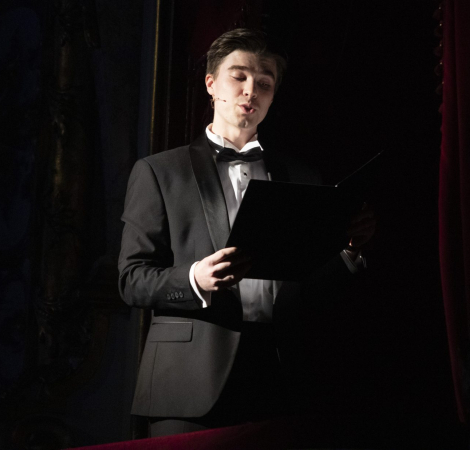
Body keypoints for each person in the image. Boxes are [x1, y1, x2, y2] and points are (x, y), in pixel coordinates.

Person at [118, 28, 376, 437]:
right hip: (188, 380)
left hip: (279, 373)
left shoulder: (302, 177)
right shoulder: (159, 171)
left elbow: (307, 289)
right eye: (238, 76)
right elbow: (131, 280)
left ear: (273, 96)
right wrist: (195, 278)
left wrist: (347, 252)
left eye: (265, 83)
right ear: (211, 84)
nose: (251, 90)